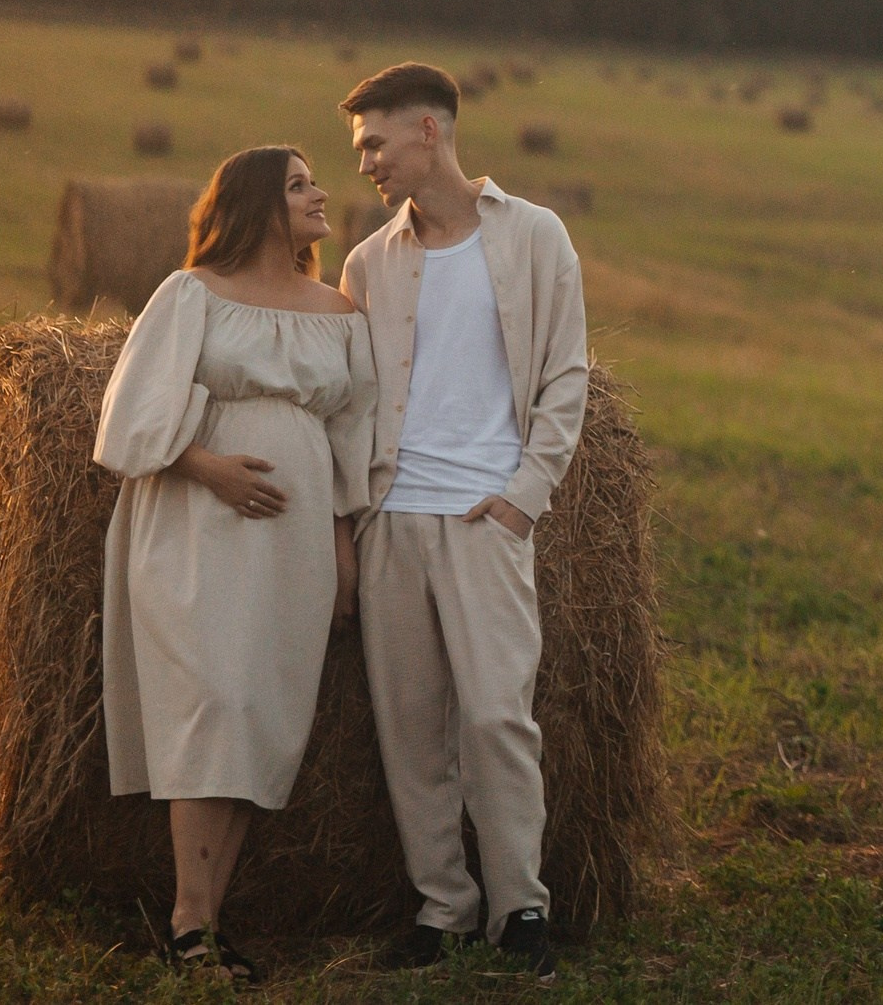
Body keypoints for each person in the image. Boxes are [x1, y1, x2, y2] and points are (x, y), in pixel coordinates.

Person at [92, 146, 378, 983]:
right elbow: (132, 412)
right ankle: (188, 920)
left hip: (294, 543)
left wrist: (342, 542)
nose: (321, 192)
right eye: (299, 184)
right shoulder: (192, 295)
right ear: (256, 204)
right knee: (211, 700)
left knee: (257, 711)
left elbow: (352, 432)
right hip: (195, 525)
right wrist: (209, 466)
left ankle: (206, 929)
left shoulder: (340, 311)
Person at [337, 63, 589, 981]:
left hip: (487, 516)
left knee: (494, 718)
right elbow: (352, 399)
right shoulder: (367, 261)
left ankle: (522, 904)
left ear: (429, 133)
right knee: (411, 730)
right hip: (392, 520)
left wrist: (526, 494)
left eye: (374, 142)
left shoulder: (533, 236)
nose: (363, 162)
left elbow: (567, 375)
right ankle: (443, 905)